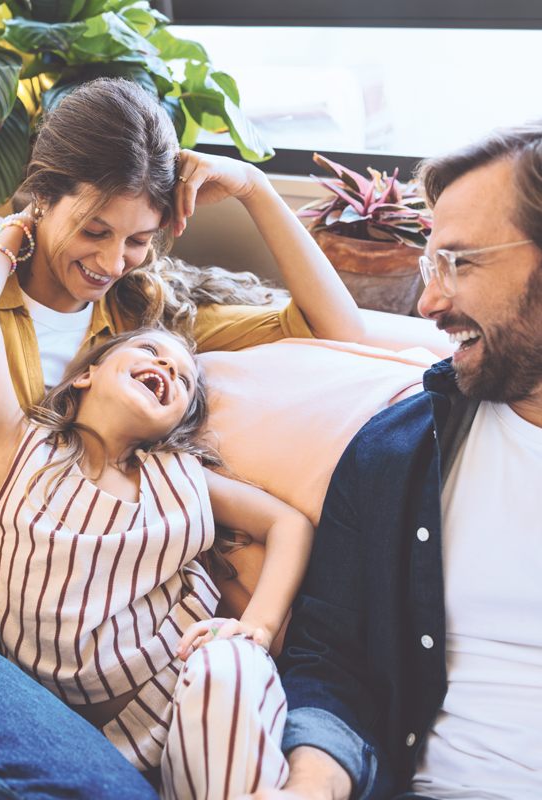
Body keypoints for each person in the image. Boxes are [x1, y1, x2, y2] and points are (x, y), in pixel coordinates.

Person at [0, 78, 362, 796]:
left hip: (38, 651)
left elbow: (338, 329)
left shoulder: (144, 333)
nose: (112, 262)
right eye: (95, 230)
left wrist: (259, 188)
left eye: (139, 238)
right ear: (42, 196)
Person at [0, 215, 314, 797]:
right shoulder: (18, 447)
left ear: (179, 420)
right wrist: (21, 226)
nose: (169, 369)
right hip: (67, 726)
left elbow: (288, 523)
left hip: (182, 686)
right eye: (151, 350)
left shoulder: (178, 475)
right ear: (87, 374)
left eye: (184, 380)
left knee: (231, 667)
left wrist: (258, 628)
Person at [255, 122, 542, 800]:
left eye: (459, 263)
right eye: (428, 266)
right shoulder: (395, 454)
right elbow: (330, 658)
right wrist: (313, 777)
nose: (429, 303)